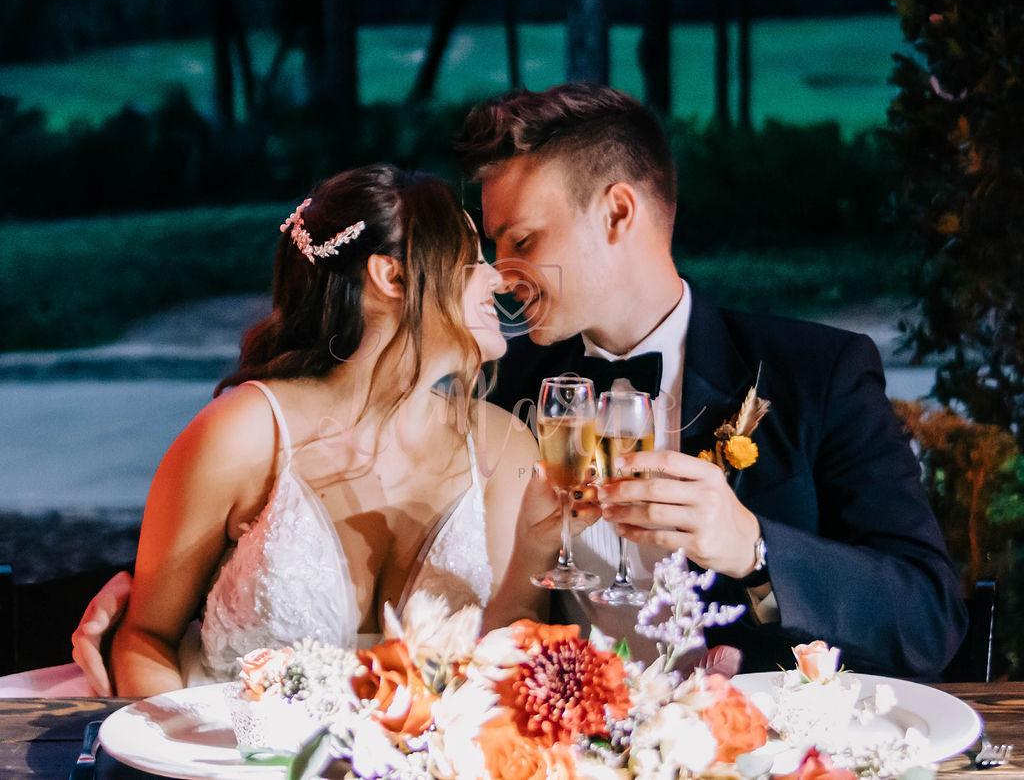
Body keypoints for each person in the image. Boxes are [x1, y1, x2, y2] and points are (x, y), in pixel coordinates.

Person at [3, 164, 599, 698]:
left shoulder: (502, 444)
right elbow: (145, 638)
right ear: (391, 277)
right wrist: (180, 748)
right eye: (472, 261)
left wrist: (535, 549)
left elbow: (505, 657)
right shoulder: (244, 433)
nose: (498, 280)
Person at [453, 83, 967, 679]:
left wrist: (753, 549)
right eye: (495, 246)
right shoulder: (511, 388)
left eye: (522, 241)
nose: (501, 274)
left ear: (618, 213)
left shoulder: (818, 374)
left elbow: (929, 619)